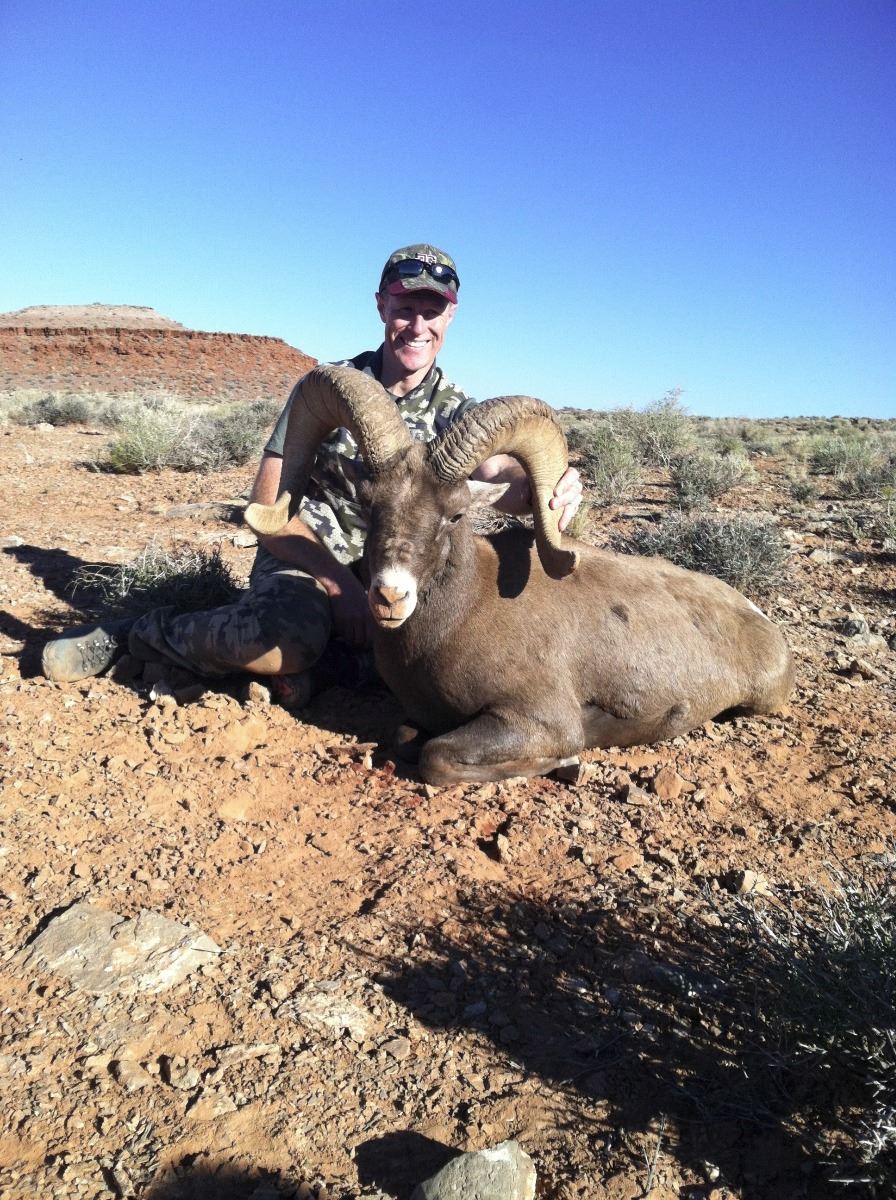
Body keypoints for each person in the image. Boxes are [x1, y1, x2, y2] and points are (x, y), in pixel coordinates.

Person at [42, 244, 582, 701]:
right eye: (404, 308)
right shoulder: (331, 391)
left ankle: (321, 671)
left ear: (450, 317)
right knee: (287, 640)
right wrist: (338, 584)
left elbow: (501, 477)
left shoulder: (459, 413)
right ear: (381, 305)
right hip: (312, 559)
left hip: (400, 570)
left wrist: (548, 491)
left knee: (451, 661)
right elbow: (268, 507)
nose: (417, 326)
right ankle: (136, 635)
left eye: (432, 311)